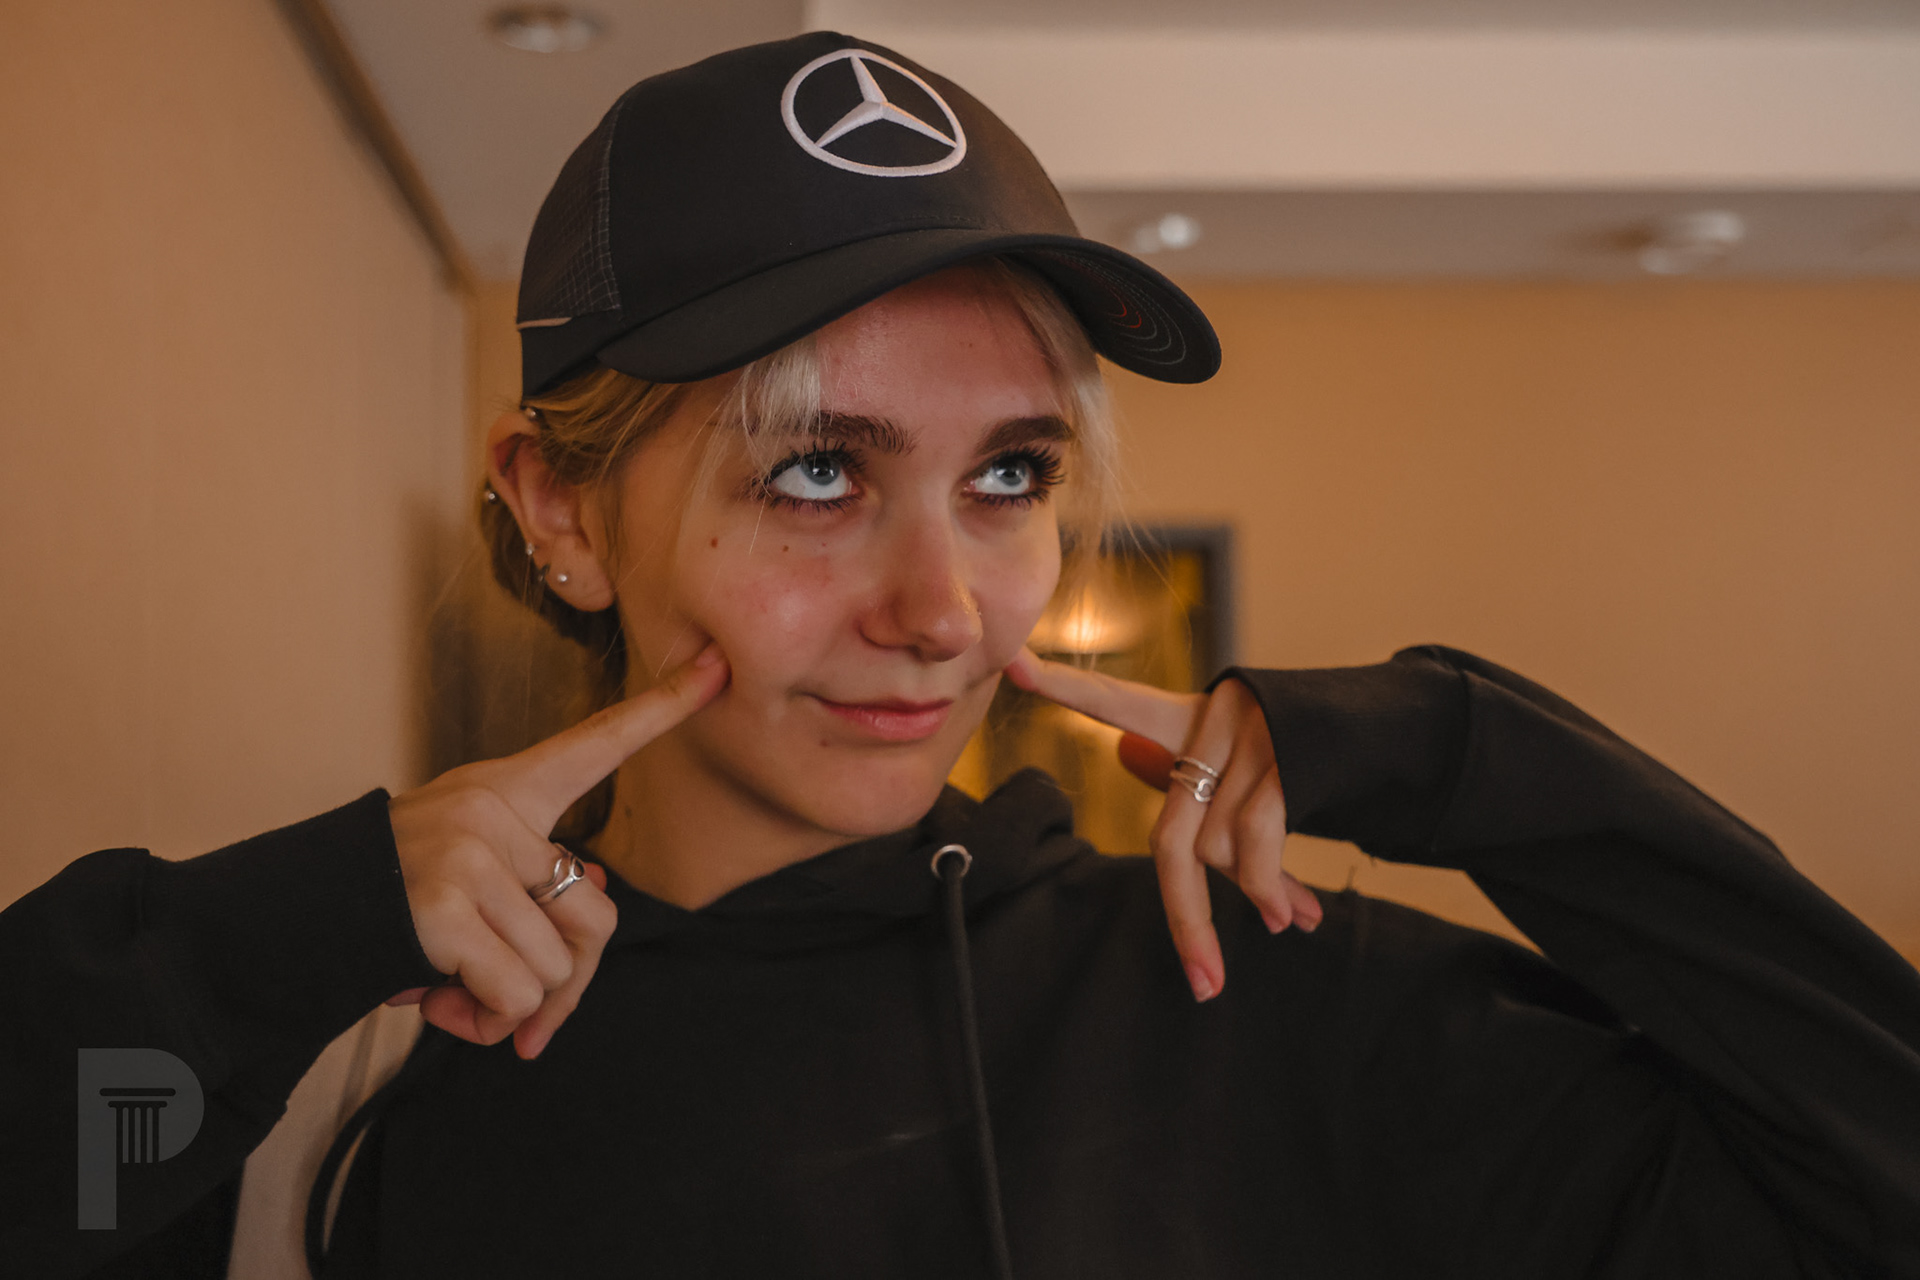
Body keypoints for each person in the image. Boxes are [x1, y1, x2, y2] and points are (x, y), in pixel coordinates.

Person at [4, 30, 1919, 1280]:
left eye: (1010, 476)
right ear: (560, 507)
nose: (943, 611)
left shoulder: (1260, 1004)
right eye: (817, 471)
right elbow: (56, 1194)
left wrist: (1453, 754)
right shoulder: (350, 1065)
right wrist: (262, 945)